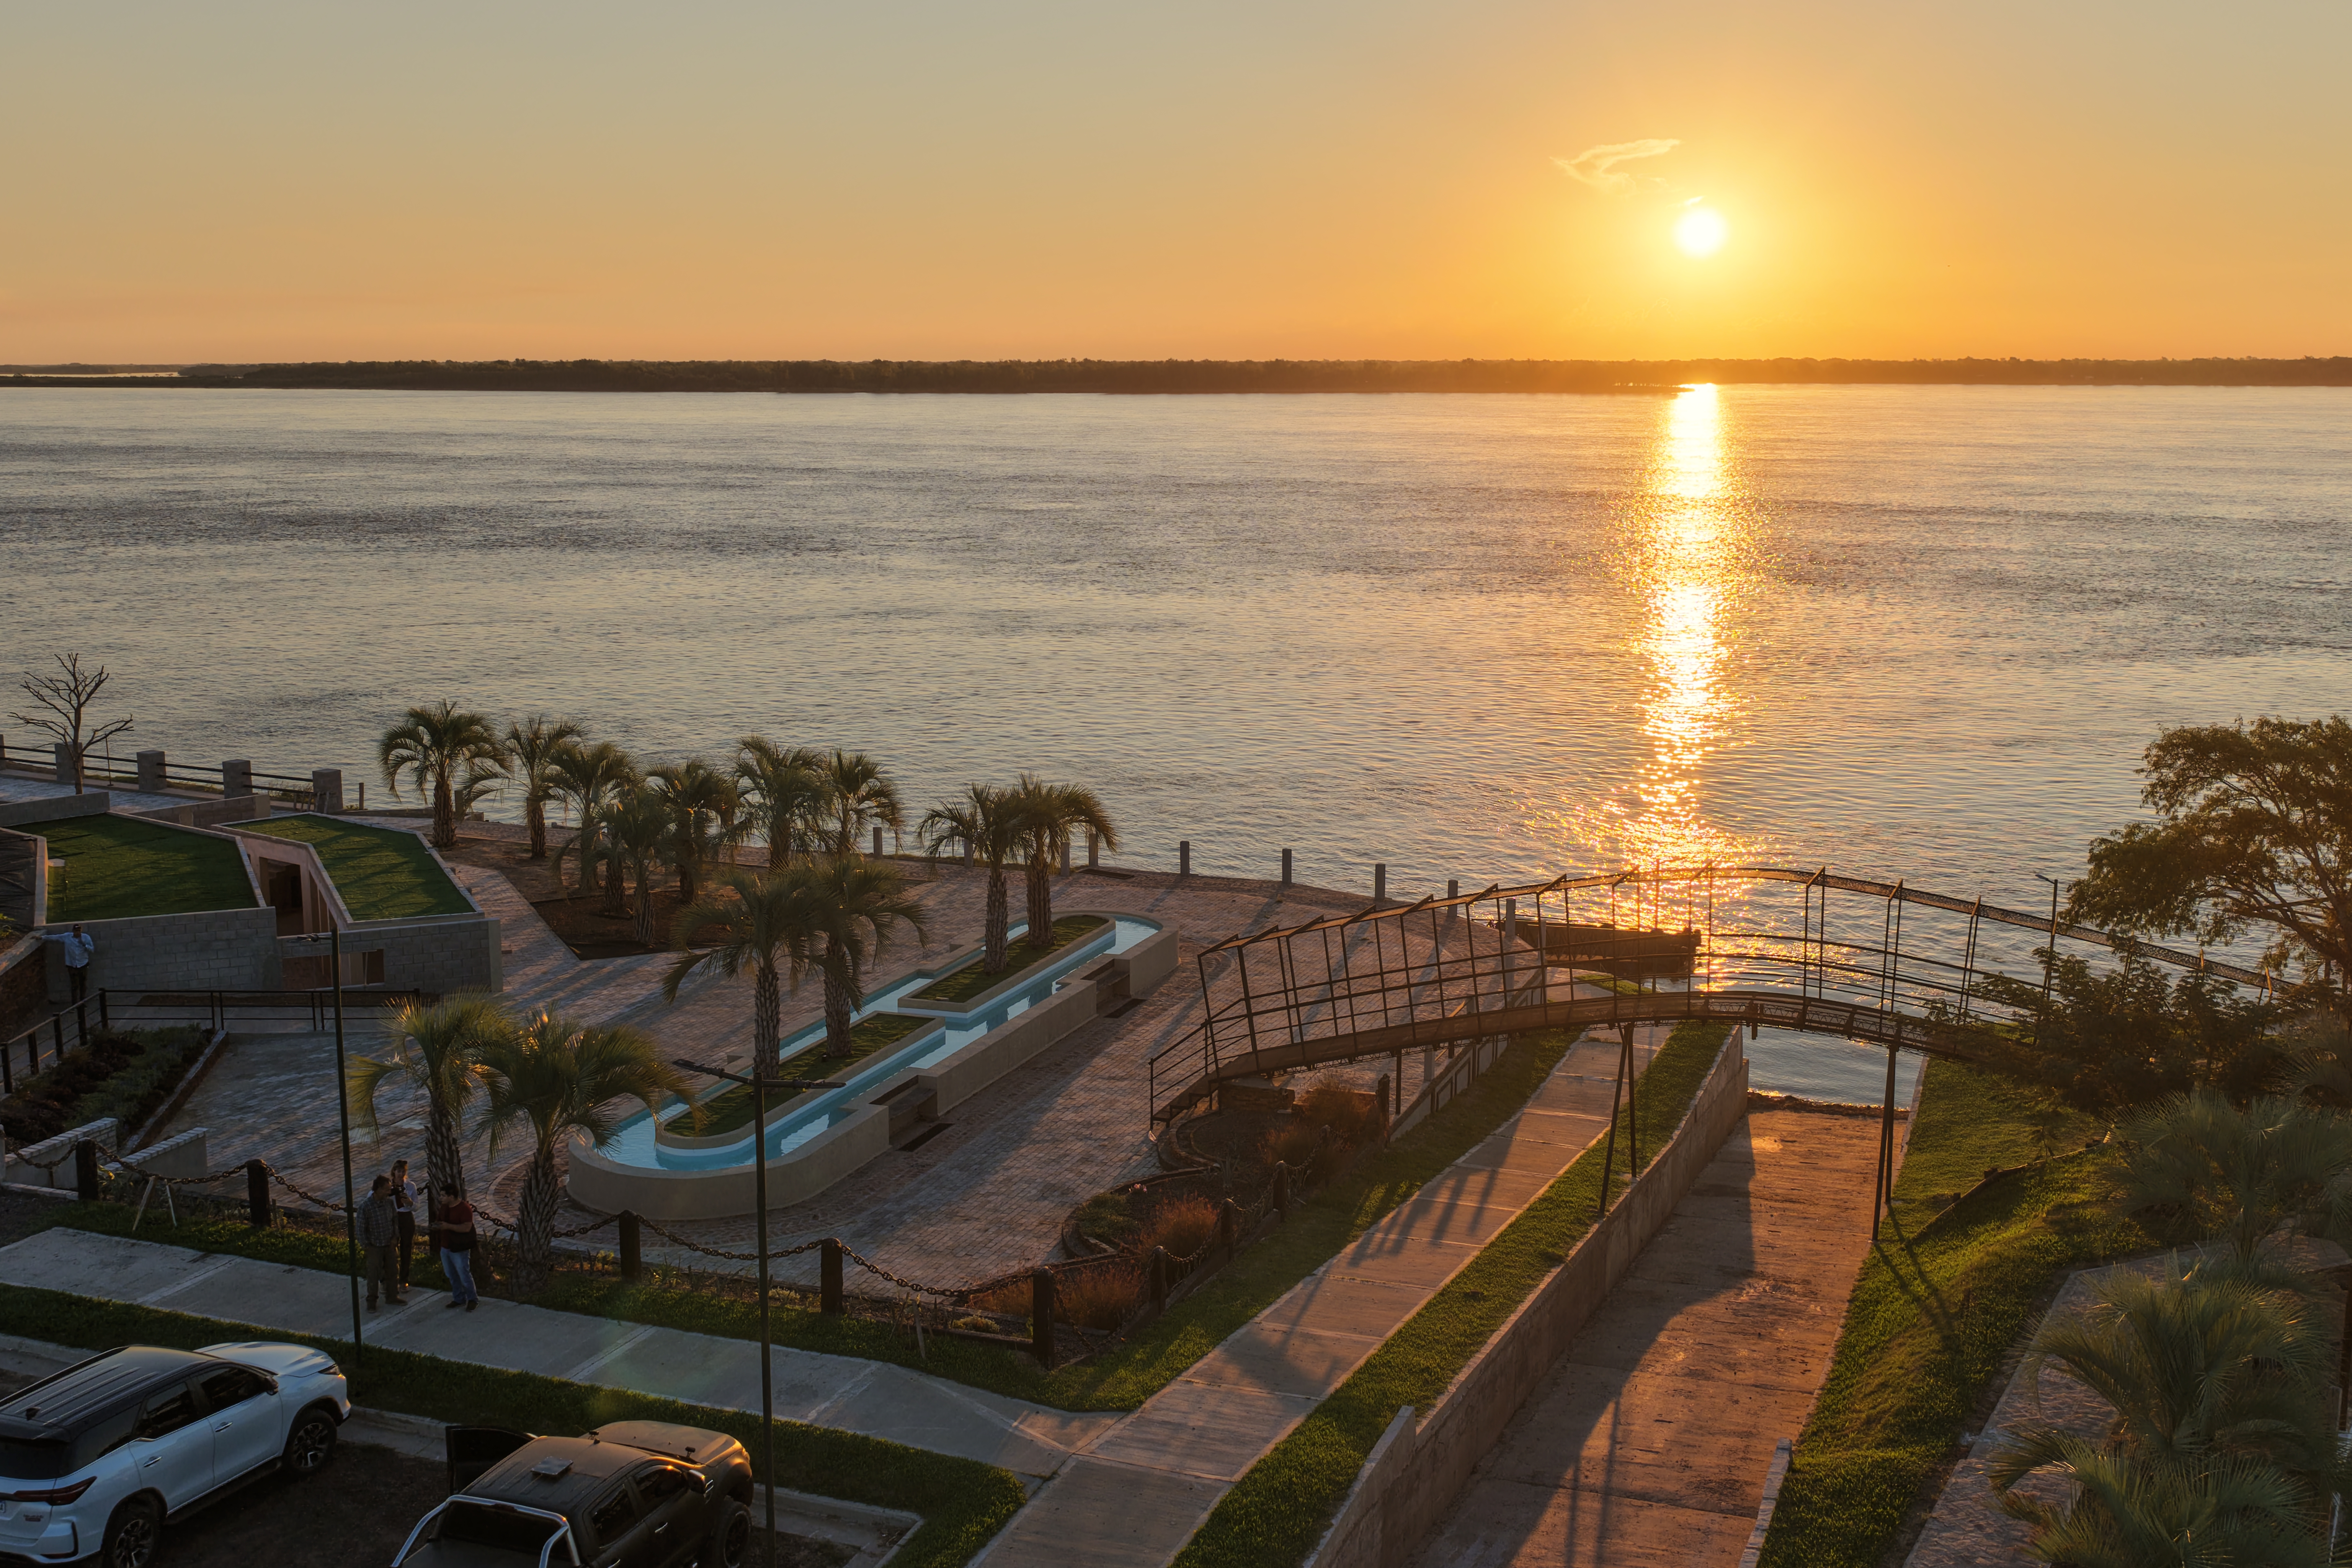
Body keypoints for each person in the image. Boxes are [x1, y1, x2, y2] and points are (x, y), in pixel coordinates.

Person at [356, 1174, 404, 1309]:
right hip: (374, 1246)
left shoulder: (389, 1203)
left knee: (393, 1271)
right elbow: (360, 1229)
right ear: (378, 1190)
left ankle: (392, 1297)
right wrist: (367, 1246)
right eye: (387, 1190)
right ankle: (372, 1301)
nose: (389, 1193)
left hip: (390, 1244)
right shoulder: (366, 1207)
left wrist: (395, 1238)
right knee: (373, 1275)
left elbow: (395, 1220)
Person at [432, 1186, 480, 1311]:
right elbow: (441, 1220)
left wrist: (448, 1226)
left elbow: (466, 1228)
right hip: (446, 1246)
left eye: (443, 1195)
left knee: (464, 1274)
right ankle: (459, 1298)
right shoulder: (444, 1207)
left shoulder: (464, 1209)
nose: (440, 1198)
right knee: (451, 1274)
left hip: (459, 1248)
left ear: (451, 1197)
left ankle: (473, 1299)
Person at [389, 1160, 418, 1293]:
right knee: (390, 1248)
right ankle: (389, 1278)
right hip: (393, 1217)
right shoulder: (388, 1186)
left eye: (403, 1172)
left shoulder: (411, 1186)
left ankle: (404, 1279)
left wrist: (410, 1202)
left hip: (406, 1217)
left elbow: (417, 1207)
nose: (401, 1174)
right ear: (394, 1172)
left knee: (407, 1248)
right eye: (399, 1171)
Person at [52, 924, 94, 1003]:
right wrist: (42, 937)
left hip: (83, 964)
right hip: (72, 965)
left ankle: (83, 1002)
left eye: (79, 931)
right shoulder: (67, 937)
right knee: (75, 986)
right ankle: (75, 1004)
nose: (78, 933)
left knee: (83, 984)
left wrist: (84, 945)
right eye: (76, 931)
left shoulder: (86, 937)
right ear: (73, 931)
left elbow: (92, 949)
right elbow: (56, 937)